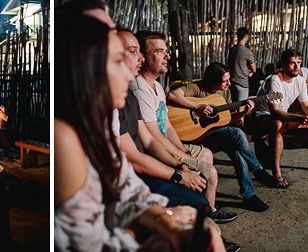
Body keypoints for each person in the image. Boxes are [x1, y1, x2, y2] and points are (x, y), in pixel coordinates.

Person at [54, 14, 224, 251]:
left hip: (150, 174)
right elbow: (88, 240)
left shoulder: (103, 120)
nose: (130, 71)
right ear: (84, 66)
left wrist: (168, 224)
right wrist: (169, 216)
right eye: (117, 61)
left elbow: (126, 185)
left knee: (202, 220)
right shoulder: (64, 139)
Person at [132, 30, 234, 222]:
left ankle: (209, 207)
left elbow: (168, 127)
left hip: (166, 144)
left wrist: (184, 151)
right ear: (143, 57)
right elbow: (154, 138)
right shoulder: (139, 89)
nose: (167, 56)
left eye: (166, 51)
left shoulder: (157, 86)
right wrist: (185, 160)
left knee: (206, 154)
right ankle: (206, 218)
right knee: (209, 172)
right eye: (160, 51)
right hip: (155, 151)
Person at [115, 28, 214, 211]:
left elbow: (152, 139)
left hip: (144, 165)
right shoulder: (118, 96)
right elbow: (136, 156)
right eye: (133, 51)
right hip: (126, 178)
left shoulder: (127, 95)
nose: (141, 59)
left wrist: (182, 164)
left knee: (203, 174)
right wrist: (178, 174)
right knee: (198, 199)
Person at [167, 62, 274, 211]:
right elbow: (172, 95)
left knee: (236, 148)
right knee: (236, 134)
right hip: (192, 136)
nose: (229, 83)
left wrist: (244, 113)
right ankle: (257, 171)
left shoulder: (225, 92)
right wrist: (197, 107)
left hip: (213, 135)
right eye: (225, 81)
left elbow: (227, 118)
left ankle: (249, 196)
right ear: (213, 80)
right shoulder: (196, 87)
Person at [247, 49, 308, 189]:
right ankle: (276, 172)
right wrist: (298, 118)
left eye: (298, 63)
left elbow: (306, 106)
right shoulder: (274, 80)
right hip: (261, 116)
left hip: (282, 115)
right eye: (292, 63)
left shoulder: (300, 81)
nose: (296, 67)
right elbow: (275, 112)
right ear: (283, 65)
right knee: (277, 124)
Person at [226, 27, 257, 101]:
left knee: (233, 107)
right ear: (246, 36)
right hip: (242, 83)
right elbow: (254, 69)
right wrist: (250, 71)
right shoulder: (247, 51)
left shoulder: (232, 50)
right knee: (242, 108)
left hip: (231, 82)